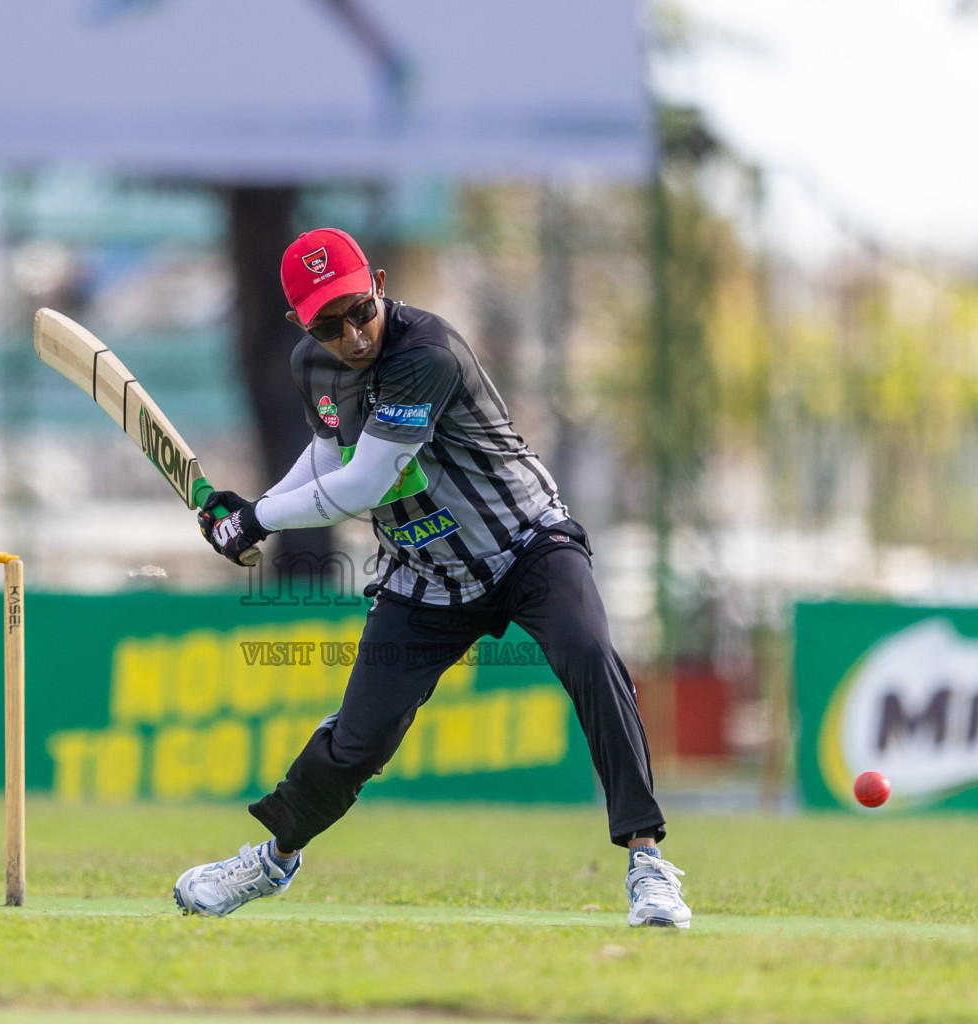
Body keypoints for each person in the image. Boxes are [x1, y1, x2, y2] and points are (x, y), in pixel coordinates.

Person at [174, 227, 690, 928]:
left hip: (526, 542)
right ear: (302, 324)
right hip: (424, 572)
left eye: (359, 308)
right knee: (359, 739)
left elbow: (364, 482)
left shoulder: (426, 352)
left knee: (590, 656)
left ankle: (648, 862)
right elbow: (329, 457)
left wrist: (259, 517)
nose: (352, 333)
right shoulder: (312, 366)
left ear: (379, 283)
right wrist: (250, 508)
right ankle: (273, 858)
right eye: (328, 322)